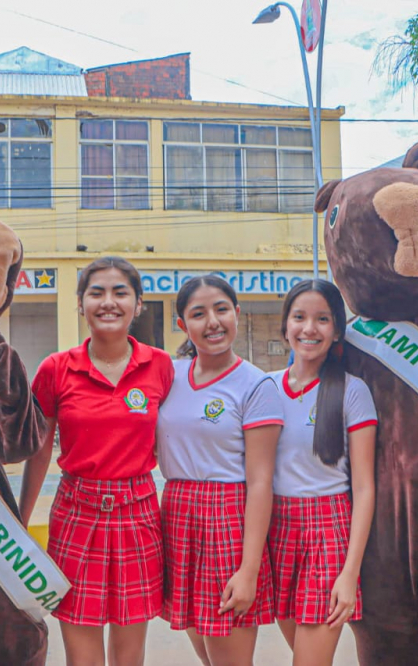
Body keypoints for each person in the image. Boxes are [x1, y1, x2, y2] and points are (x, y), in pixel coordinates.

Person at [20, 256, 174, 666]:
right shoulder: (56, 369)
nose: (109, 302)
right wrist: (20, 520)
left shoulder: (160, 366)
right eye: (97, 292)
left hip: (138, 515)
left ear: (138, 304)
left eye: (120, 292)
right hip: (76, 513)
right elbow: (38, 451)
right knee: (82, 655)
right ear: (80, 303)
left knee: (129, 656)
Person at [156, 275, 283, 666]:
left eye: (221, 309)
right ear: (183, 325)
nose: (212, 322)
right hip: (177, 514)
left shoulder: (255, 385)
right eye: (198, 313)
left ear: (237, 314)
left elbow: (261, 482)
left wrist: (248, 569)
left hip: (228, 518)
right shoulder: (168, 376)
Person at [266, 279, 377, 665]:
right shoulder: (265, 389)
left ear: (337, 331)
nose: (309, 329)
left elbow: (363, 488)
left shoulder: (352, 391)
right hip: (274, 532)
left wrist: (349, 572)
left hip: (326, 533)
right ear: (285, 326)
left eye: (322, 319)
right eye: (299, 317)